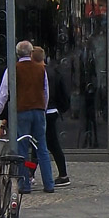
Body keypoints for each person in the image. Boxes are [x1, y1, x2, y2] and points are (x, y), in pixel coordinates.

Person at [0, 41, 54, 193]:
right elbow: (45, 92)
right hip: (38, 110)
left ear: (17, 53)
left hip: (22, 111)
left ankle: (24, 184)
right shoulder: (41, 69)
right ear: (31, 52)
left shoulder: (13, 69)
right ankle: (49, 183)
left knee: (21, 147)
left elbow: (4, 94)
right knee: (42, 147)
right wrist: (42, 109)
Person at [34, 48, 71, 187]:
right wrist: (61, 108)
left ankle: (62, 174)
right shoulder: (54, 72)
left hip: (42, 110)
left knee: (40, 143)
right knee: (49, 143)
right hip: (52, 110)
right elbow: (63, 93)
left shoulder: (38, 72)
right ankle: (62, 173)